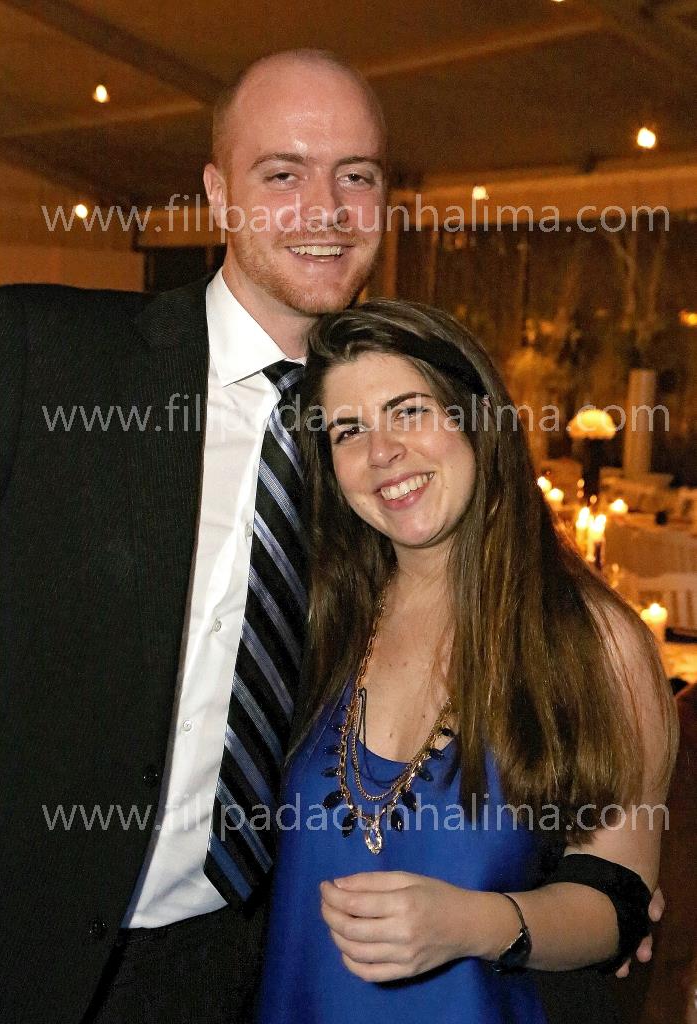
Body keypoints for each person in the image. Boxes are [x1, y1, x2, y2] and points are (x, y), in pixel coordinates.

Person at [0, 50, 385, 1024]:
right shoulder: (46, 354)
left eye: (355, 175)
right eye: (281, 173)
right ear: (216, 194)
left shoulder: (387, 443)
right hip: (2, 941)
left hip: (228, 971)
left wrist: (586, 885)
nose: (325, 209)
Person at [257, 299, 678, 1023]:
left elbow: (619, 902)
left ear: (477, 419)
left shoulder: (595, 642)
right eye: (348, 431)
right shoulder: (315, 622)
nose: (381, 451)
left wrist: (470, 923)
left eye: (409, 411)